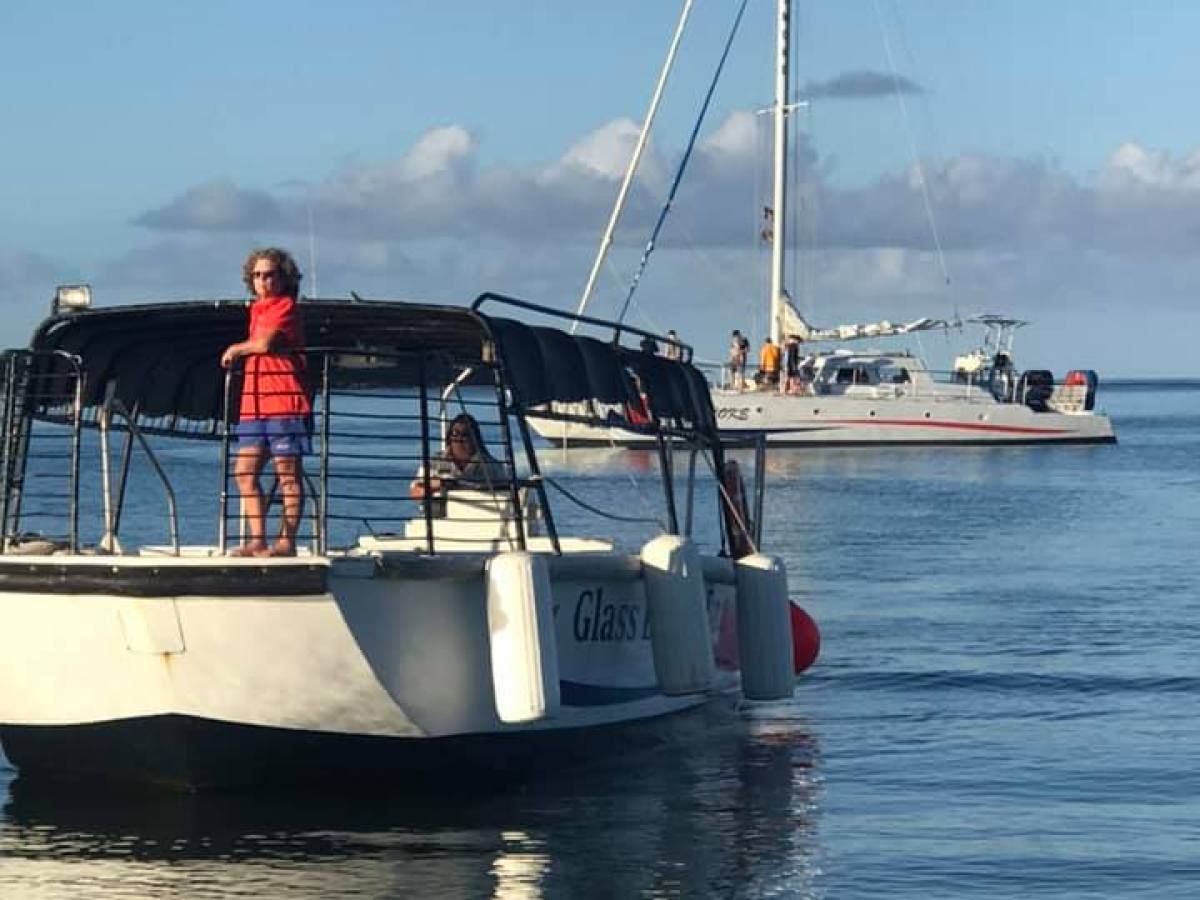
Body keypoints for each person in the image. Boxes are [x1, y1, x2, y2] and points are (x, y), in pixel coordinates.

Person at [220, 248, 310, 557]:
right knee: (245, 472)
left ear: (283, 277)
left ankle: (286, 540)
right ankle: (258, 537)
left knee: (288, 474)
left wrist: (235, 348)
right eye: (257, 275)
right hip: (254, 403)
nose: (263, 281)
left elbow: (266, 343)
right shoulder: (256, 310)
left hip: (283, 400)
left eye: (269, 274)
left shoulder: (286, 307)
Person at [409, 413, 507, 511]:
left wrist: (452, 484)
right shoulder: (435, 462)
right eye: (455, 434)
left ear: (475, 439)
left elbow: (505, 493)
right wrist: (436, 485)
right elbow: (415, 492)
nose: (459, 439)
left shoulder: (490, 466)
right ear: (449, 438)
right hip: (440, 519)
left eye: (465, 434)